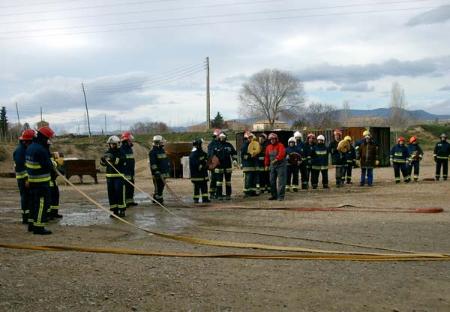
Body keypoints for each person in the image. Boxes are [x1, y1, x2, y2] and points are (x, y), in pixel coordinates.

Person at [25, 126, 56, 234]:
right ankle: (39, 227)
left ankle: (32, 225)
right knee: (42, 204)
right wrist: (54, 163)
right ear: (44, 137)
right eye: (48, 138)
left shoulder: (31, 147)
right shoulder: (41, 150)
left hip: (32, 181)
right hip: (41, 183)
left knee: (33, 203)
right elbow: (47, 166)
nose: (49, 140)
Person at [100, 135, 127, 217]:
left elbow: (123, 161)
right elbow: (103, 164)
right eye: (111, 144)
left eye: (114, 144)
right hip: (109, 177)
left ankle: (122, 210)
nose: (112, 145)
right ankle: (114, 211)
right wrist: (103, 160)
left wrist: (114, 159)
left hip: (119, 176)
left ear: (118, 144)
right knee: (111, 194)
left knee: (119, 193)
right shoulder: (107, 152)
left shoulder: (121, 152)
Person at [13, 129, 35, 225]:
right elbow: (20, 166)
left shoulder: (24, 149)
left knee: (28, 197)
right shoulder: (20, 151)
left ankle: (28, 216)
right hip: (23, 179)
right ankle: (25, 218)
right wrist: (27, 179)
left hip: (26, 178)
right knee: (25, 197)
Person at [213, 132, 237, 200]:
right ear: (219, 138)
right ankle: (219, 195)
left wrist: (235, 160)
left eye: (223, 137)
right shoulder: (216, 145)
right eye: (221, 137)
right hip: (219, 167)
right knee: (219, 182)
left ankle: (228, 195)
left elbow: (234, 153)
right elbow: (212, 155)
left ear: (225, 137)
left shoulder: (229, 145)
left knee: (228, 182)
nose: (222, 138)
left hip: (227, 166)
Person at [264, 133, 287, 200]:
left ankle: (280, 196)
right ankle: (274, 195)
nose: (272, 140)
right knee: (272, 181)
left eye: (273, 139)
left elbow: (282, 154)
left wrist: (276, 159)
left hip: (281, 165)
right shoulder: (268, 147)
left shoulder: (280, 145)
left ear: (276, 139)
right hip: (272, 166)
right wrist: (266, 165)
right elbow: (267, 157)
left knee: (281, 181)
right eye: (271, 139)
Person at [149, 135, 170, 204]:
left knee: (161, 186)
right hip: (157, 174)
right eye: (161, 143)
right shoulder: (152, 152)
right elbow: (153, 163)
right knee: (159, 187)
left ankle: (155, 198)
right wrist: (156, 171)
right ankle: (159, 200)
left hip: (163, 173)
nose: (162, 144)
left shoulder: (162, 150)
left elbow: (165, 160)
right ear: (157, 143)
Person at [189, 138, 210, 203]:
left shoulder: (201, 152)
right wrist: (202, 165)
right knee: (197, 188)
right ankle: (196, 199)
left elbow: (206, 157)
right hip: (197, 175)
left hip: (203, 175)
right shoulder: (193, 154)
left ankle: (205, 198)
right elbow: (196, 164)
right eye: (201, 144)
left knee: (204, 187)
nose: (202, 145)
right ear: (198, 145)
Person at [120, 131, 138, 207]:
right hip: (125, 172)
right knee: (126, 187)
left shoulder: (129, 149)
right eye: (130, 140)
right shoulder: (121, 149)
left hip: (131, 171)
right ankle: (125, 202)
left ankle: (130, 201)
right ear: (126, 140)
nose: (131, 141)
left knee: (131, 187)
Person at [241, 132, 260, 197]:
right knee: (248, 179)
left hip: (254, 164)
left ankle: (253, 191)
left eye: (251, 137)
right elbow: (243, 156)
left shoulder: (254, 144)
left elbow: (257, 151)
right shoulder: (244, 146)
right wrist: (250, 156)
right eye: (249, 138)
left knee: (254, 179)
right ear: (246, 138)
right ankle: (247, 192)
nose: (251, 139)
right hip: (247, 165)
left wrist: (256, 154)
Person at [207, 129, 221, 198]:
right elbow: (210, 155)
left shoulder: (219, 143)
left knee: (218, 180)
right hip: (214, 165)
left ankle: (218, 193)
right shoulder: (212, 144)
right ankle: (212, 193)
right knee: (214, 179)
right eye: (219, 135)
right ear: (216, 136)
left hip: (219, 164)